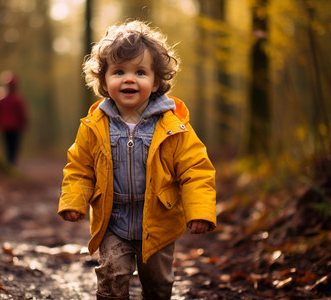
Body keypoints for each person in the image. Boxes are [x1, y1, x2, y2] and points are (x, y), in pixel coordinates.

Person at [58, 20, 216, 300]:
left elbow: (196, 169)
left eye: (140, 72)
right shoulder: (95, 125)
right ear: (104, 82)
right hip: (113, 222)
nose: (129, 79)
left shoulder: (173, 126)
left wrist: (200, 210)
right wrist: (74, 200)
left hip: (158, 221)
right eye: (118, 72)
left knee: (158, 286)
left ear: (156, 81)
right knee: (111, 277)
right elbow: (80, 168)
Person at [0, 71, 28, 165]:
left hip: (6, 126)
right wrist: (24, 124)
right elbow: (22, 114)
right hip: (14, 126)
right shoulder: (17, 98)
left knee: (8, 145)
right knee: (13, 146)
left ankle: (9, 162)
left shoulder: (1, 98)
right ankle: (11, 162)